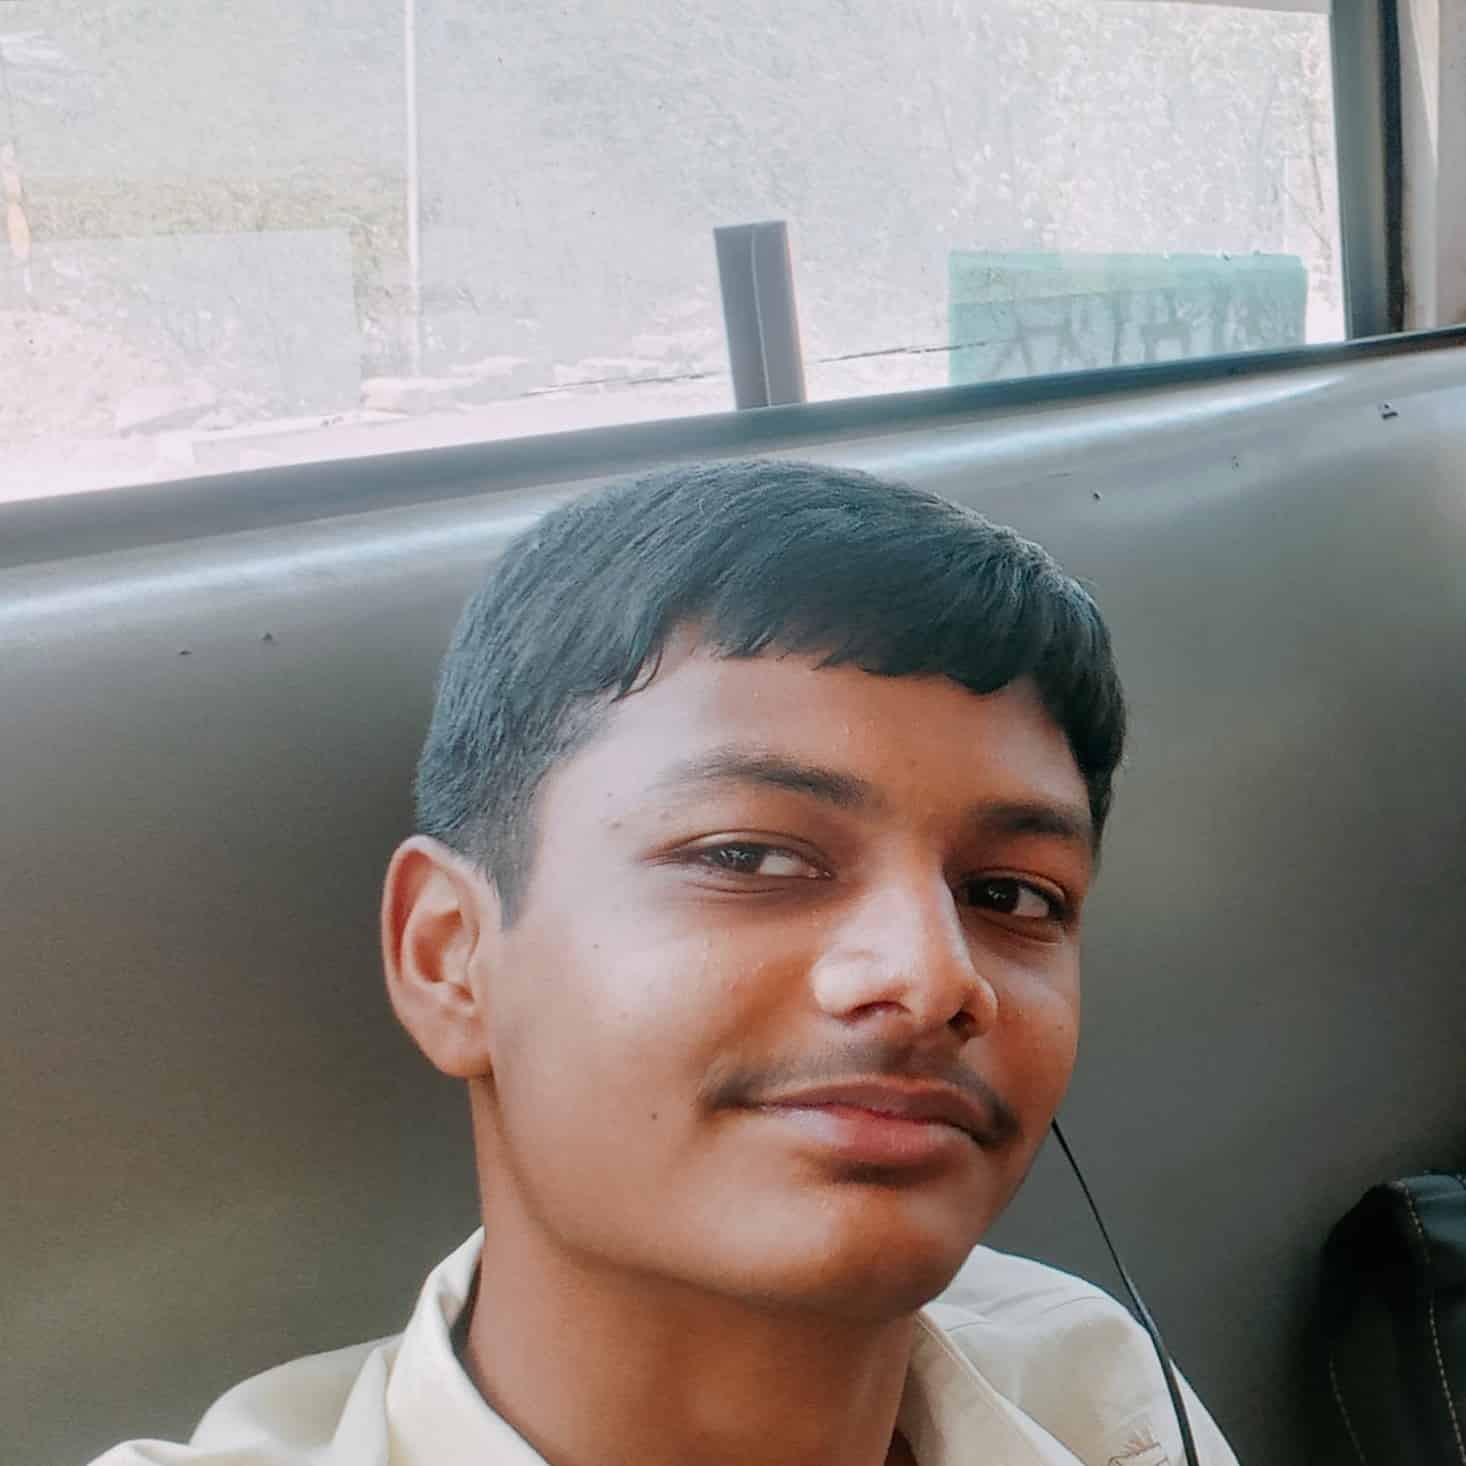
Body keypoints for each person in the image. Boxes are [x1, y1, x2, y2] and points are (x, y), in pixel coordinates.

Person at [91, 459, 1238, 1466]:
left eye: (1008, 894)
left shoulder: (1092, 1391)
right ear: (449, 958)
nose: (934, 976)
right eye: (746, 855)